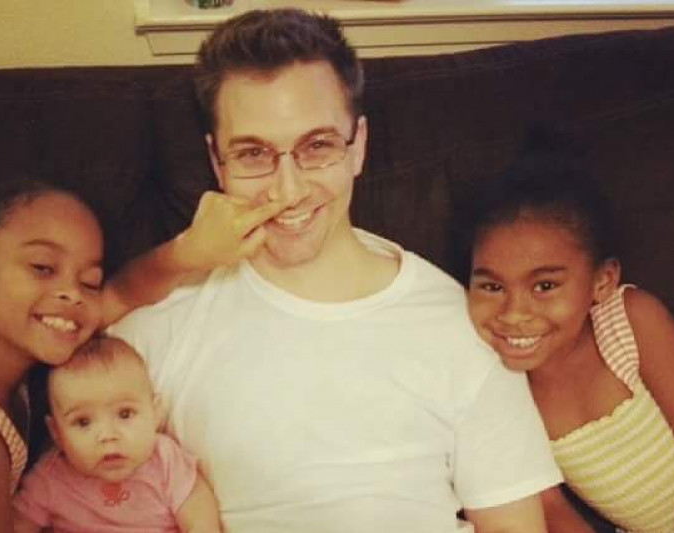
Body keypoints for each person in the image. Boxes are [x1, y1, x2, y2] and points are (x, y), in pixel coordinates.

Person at [110, 8, 562, 532]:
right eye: (253, 153)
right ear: (217, 162)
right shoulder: (164, 323)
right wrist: (179, 256)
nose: (288, 190)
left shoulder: (460, 323)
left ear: (358, 145)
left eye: (317, 146)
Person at [0, 178, 281, 533]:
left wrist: (189, 251)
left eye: (89, 282)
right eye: (42, 268)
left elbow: (124, 292)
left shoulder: (6, 355)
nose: (72, 294)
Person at [461, 148, 674, 532]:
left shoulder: (629, 322)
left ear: (602, 282)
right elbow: (549, 507)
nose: (514, 314)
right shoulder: (501, 388)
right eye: (492, 286)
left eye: (545, 286)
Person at [13, 335, 222, 533]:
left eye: (125, 414)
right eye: (83, 422)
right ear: (57, 433)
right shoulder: (49, 479)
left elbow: (199, 517)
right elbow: (16, 525)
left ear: (155, 413)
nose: (107, 435)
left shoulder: (165, 460)